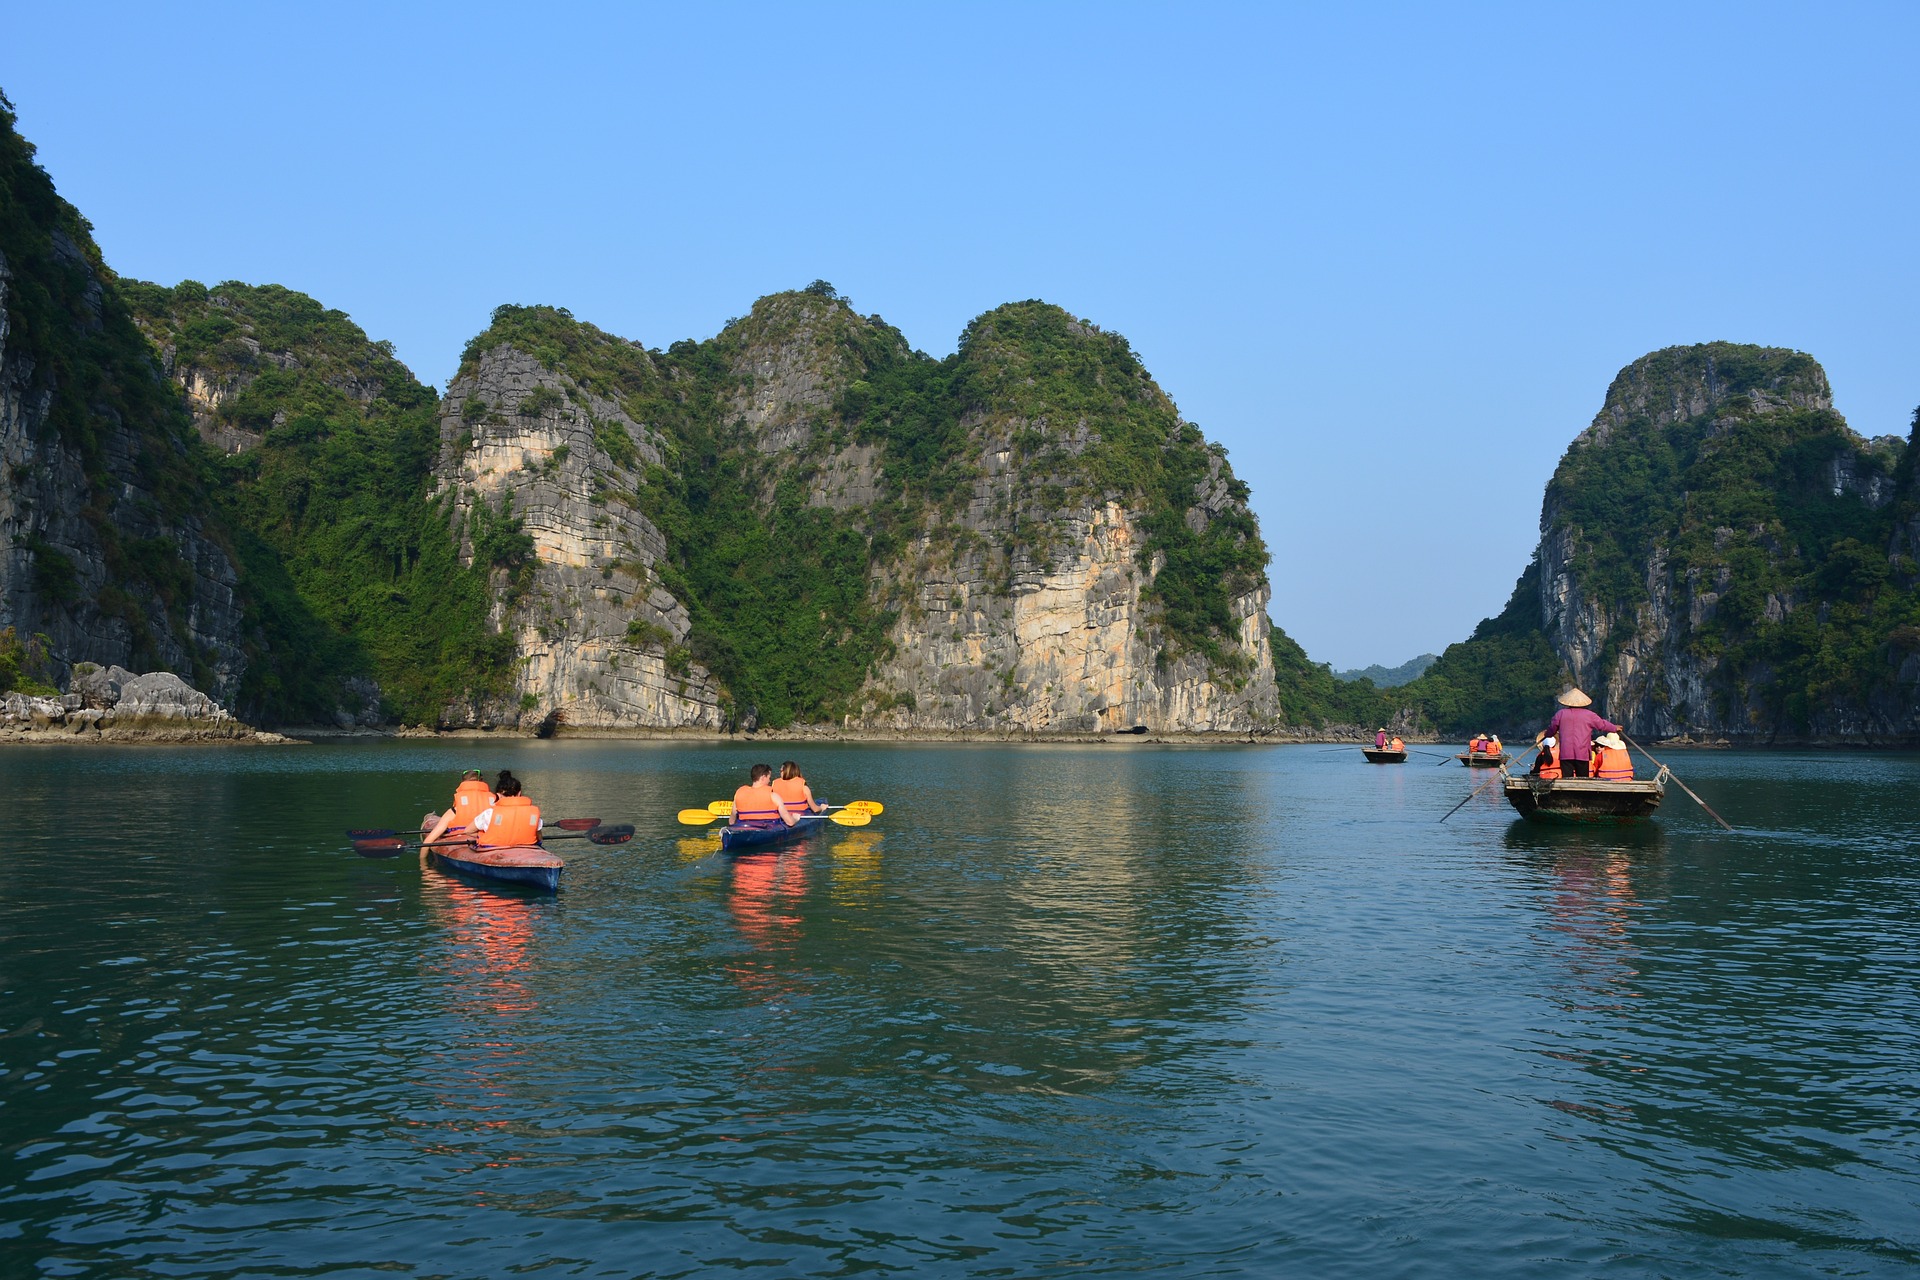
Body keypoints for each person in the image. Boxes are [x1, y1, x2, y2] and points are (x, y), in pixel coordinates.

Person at [1543, 688, 1622, 779]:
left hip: (1566, 753)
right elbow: (1602, 724)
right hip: (1582, 753)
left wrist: (1547, 734)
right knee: (1583, 779)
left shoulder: (1560, 714)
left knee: (1567, 779)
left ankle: (1568, 793)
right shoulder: (1589, 715)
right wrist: (1614, 728)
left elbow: (1552, 728)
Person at [424, 769, 496, 845]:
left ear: (463, 783)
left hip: (460, 836)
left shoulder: (455, 810)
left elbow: (429, 840)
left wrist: (422, 857)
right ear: (482, 782)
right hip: (488, 838)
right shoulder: (495, 804)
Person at [474, 770, 543, 848]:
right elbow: (539, 837)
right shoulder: (533, 812)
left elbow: (468, 831)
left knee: (481, 832)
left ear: (498, 795)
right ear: (519, 793)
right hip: (527, 847)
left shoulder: (490, 813)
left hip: (493, 848)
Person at [732, 763, 798, 829]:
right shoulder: (774, 796)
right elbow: (790, 822)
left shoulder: (739, 794)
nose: (769, 781)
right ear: (763, 777)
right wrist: (795, 818)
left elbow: (731, 822)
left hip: (743, 827)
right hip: (768, 830)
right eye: (769, 778)